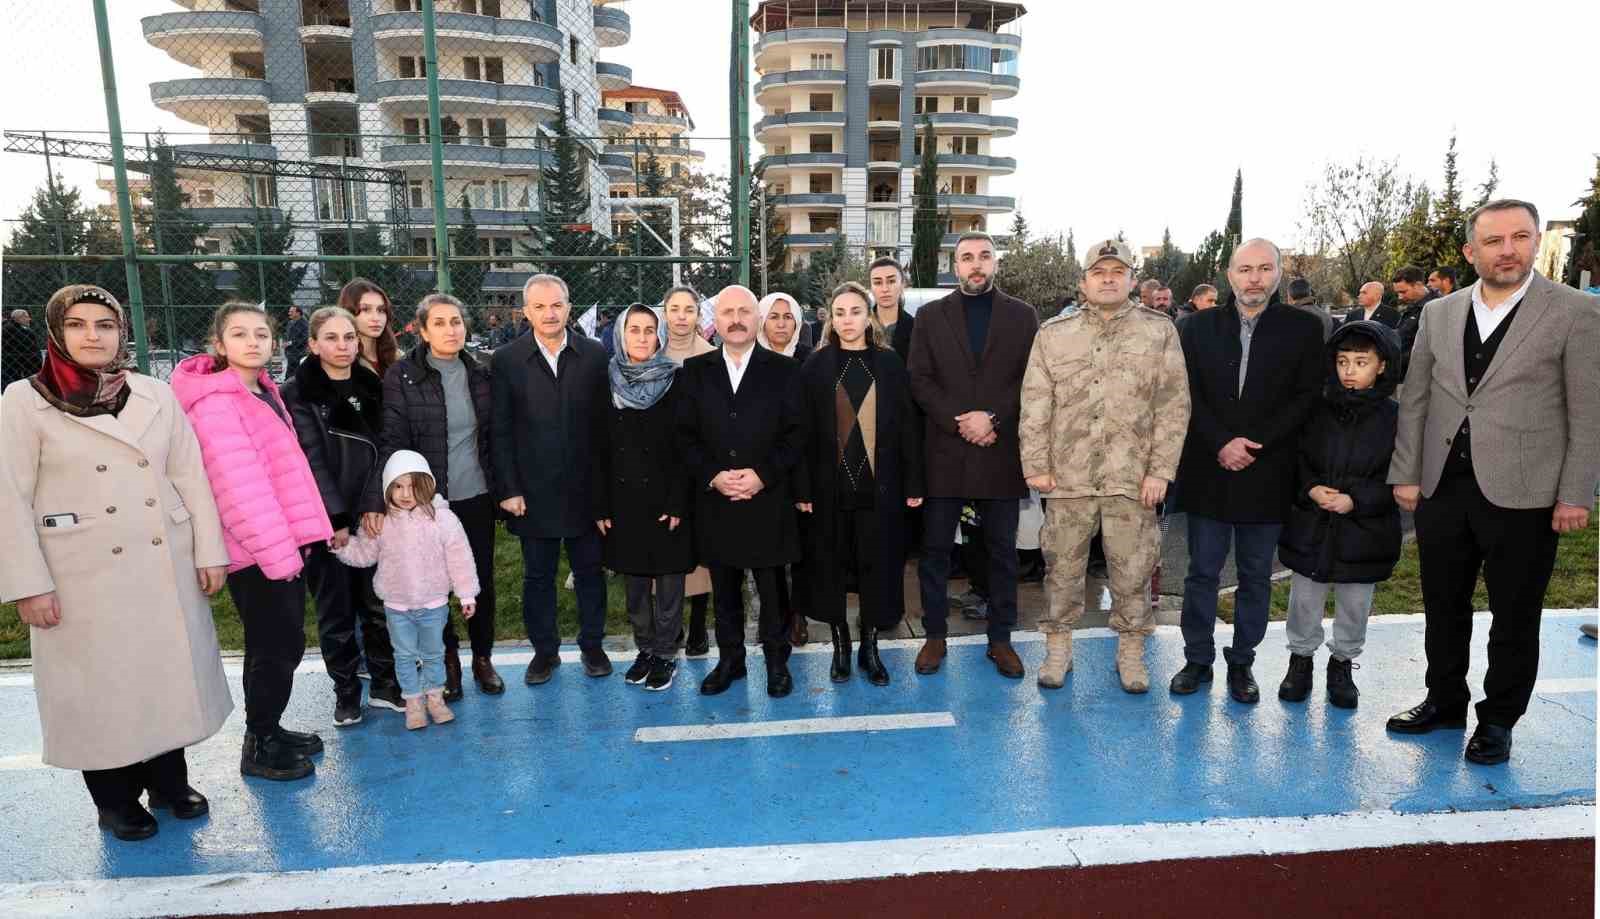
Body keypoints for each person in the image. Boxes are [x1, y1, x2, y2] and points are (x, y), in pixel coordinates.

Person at [0, 285, 231, 841]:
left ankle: (169, 782)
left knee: (163, 670)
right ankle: (114, 798)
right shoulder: (23, 402)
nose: (92, 336)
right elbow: (9, 497)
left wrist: (208, 550)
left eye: (104, 324)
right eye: (78, 325)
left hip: (161, 561)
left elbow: (189, 475)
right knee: (100, 686)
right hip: (81, 572)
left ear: (122, 331)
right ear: (57, 332)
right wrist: (28, 584)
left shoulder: (153, 393)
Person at [1386, 199, 1600, 765]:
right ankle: (1443, 700)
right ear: (1470, 251)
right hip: (1443, 487)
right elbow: (1416, 399)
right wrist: (1406, 472)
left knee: (1515, 613)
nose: (1508, 250)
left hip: (1526, 492)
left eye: (1520, 237)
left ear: (1535, 243)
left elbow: (1588, 412)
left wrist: (1576, 492)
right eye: (1494, 240)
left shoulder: (1576, 313)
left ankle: (1499, 719)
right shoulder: (1440, 313)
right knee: (1442, 603)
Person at [170, 301, 332, 781]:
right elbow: (239, 490)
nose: (253, 342)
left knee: (285, 643)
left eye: (261, 333)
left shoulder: (259, 391)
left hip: (279, 545)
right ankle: (259, 744)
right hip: (257, 552)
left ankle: (270, 728)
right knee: (273, 646)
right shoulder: (218, 404)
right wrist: (279, 555)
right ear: (219, 345)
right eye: (240, 334)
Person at [1020, 239, 1190, 693]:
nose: (1109, 278)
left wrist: (1161, 471)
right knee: (1062, 570)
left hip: (1132, 479)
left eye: (1118, 271)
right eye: (1100, 272)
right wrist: (1035, 465)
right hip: (1068, 477)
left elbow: (1173, 406)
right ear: (1084, 281)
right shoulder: (1054, 335)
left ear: (1132, 280)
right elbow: (1036, 403)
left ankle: (1131, 653)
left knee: (1133, 570)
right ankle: (1058, 650)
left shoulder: (1159, 333)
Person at [1169, 239, 1324, 703]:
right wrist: (1221, 442)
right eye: (1244, 269)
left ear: (1278, 273)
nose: (1254, 278)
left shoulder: (1304, 328)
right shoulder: (1194, 328)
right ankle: (1197, 659)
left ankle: (1242, 664)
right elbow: (1186, 394)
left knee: (1256, 575)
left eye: (1264, 268)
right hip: (1209, 470)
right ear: (1229, 274)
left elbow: (1306, 397)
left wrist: (1255, 445)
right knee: (1202, 573)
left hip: (1267, 471)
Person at [907, 232, 1039, 678]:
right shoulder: (929, 316)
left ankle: (1000, 640)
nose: (976, 264)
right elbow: (920, 379)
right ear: (955, 265)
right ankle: (934, 636)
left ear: (995, 263)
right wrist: (960, 421)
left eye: (984, 256)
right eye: (967, 258)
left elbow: (1031, 382)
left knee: (1002, 552)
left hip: (1000, 452)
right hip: (945, 450)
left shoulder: (1023, 317)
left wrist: (993, 419)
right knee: (936, 552)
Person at [369, 293, 502, 698]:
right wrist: (407, 495)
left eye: (457, 321)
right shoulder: (403, 376)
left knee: (477, 579)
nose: (451, 329)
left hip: (476, 495)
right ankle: (447, 662)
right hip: (428, 501)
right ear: (423, 331)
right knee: (432, 586)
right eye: (440, 323)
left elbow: (494, 436)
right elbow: (394, 439)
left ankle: (483, 658)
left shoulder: (481, 372)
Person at [792, 282, 925, 686]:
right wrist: (802, 489)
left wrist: (914, 482)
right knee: (830, 568)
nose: (847, 320)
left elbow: (907, 429)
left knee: (878, 569)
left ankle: (871, 647)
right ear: (830, 320)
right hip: (828, 492)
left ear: (868, 317)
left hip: (880, 490)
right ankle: (840, 646)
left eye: (855, 311)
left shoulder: (889, 365)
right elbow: (800, 434)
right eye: (839, 312)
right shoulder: (814, 368)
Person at [675, 284, 804, 697]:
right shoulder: (695, 371)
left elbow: (797, 434)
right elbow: (684, 437)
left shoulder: (785, 371)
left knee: (772, 589)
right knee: (725, 589)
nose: (735, 319)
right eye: (727, 311)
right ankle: (730, 660)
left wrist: (762, 475)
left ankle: (777, 663)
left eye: (744, 312)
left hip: (767, 500)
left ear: (757, 319)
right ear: (717, 320)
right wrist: (713, 475)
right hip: (716, 501)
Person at [282, 306, 401, 725]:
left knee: (377, 602)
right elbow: (310, 459)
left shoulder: (372, 385)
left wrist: (374, 503)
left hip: (371, 514)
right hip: (325, 518)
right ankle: (347, 692)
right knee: (335, 611)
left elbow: (385, 447)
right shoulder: (297, 393)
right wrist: (334, 518)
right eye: (331, 338)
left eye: (349, 337)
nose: (343, 345)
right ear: (313, 344)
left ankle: (386, 685)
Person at [1276, 321, 1404, 709]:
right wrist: (1310, 487)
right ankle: (1300, 659)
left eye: (1361, 362)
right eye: (1343, 361)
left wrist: (1358, 500)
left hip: (1365, 530)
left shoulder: (1396, 417)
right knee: (1304, 598)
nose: (1349, 370)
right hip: (1312, 524)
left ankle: (1343, 663)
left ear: (1381, 366)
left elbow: (1401, 473)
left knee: (1354, 602)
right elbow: (1294, 457)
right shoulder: (1315, 408)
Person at [493, 274, 613, 685]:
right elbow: (500, 430)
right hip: (533, 493)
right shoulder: (507, 360)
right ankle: (545, 652)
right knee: (538, 577)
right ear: (526, 312)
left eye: (557, 305)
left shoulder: (595, 356)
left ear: (569, 307)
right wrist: (508, 488)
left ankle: (592, 646)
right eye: (540, 306)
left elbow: (605, 431)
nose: (549, 313)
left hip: (584, 491)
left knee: (590, 573)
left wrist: (604, 497)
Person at [338, 451, 479, 730]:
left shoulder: (443, 519)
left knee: (433, 653)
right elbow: (365, 554)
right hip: (397, 605)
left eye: (413, 486)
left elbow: (460, 557)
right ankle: (413, 703)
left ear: (426, 485)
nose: (405, 494)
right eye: (398, 486)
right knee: (403, 655)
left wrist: (466, 593)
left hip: (434, 603)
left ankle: (435, 699)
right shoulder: (381, 522)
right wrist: (343, 546)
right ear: (387, 488)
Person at [593, 304, 692, 692]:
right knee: (635, 583)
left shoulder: (676, 381)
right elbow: (597, 449)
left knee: (668, 583)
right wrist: (600, 504)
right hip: (623, 500)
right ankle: (646, 648)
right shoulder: (607, 383)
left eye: (649, 330)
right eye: (634, 330)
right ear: (621, 335)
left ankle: (667, 653)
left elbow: (687, 448)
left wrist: (678, 501)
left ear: (659, 336)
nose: (641, 337)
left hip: (666, 500)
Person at [660, 284, 715, 654]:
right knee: (667, 545)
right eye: (674, 309)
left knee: (703, 545)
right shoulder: (651, 355)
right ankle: (670, 622)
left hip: (702, 466)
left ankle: (698, 624)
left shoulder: (713, 357)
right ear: (665, 313)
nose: (681, 316)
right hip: (661, 469)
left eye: (688, 309)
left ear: (698, 315)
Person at [757, 290, 811, 646]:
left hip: (804, 468)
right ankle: (771, 616)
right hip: (764, 471)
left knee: (802, 549)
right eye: (773, 316)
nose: (780, 323)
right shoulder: (751, 361)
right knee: (767, 551)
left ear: (797, 322)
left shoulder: (811, 360)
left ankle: (799, 615)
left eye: (787, 316)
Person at [338, 278, 401, 378]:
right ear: (348, 313)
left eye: (381, 310)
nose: (376, 318)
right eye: (365, 309)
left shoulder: (398, 358)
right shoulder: (337, 360)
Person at [1391, 265, 1437, 381]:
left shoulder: (1436, 308)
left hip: (1421, 377)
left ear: (1418, 285)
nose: (1400, 297)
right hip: (1403, 374)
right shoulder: (1412, 306)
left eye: (1403, 291)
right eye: (1398, 293)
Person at [868, 256, 918, 360]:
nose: (885, 289)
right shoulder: (860, 326)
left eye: (891, 281)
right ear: (871, 287)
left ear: (902, 284)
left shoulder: (916, 329)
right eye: (877, 282)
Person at [2, 308, 42, 389]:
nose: (29, 319)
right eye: (27, 317)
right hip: (21, 366)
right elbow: (31, 351)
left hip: (12, 366)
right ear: (19, 318)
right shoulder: (23, 332)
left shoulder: (7, 328)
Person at [283, 305, 309, 375]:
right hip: (290, 354)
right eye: (289, 311)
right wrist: (285, 343)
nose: (289, 313)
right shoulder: (290, 323)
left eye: (291, 312)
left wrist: (290, 343)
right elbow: (287, 336)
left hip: (299, 354)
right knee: (291, 374)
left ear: (298, 313)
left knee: (292, 375)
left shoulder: (304, 324)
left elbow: (304, 339)